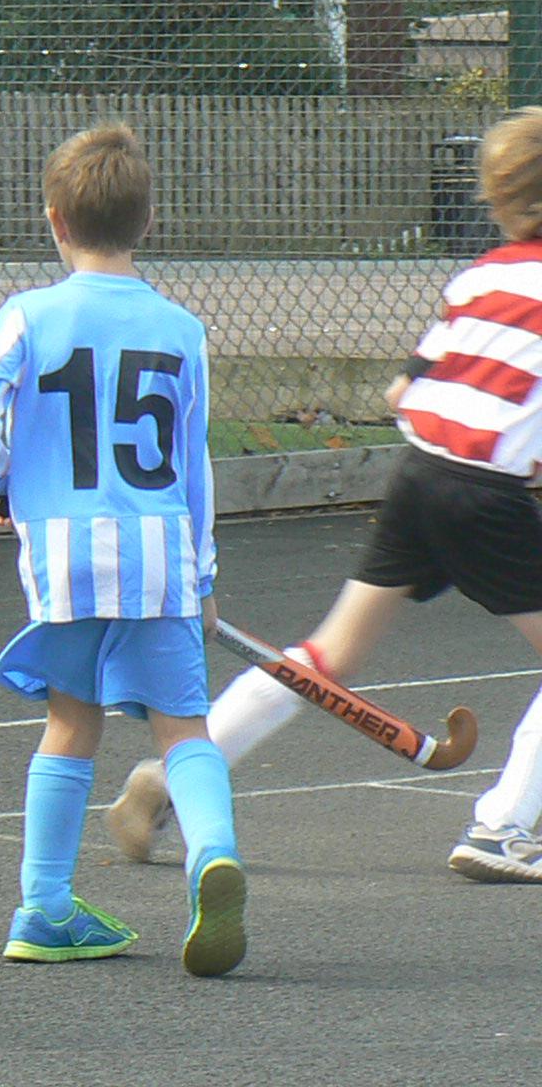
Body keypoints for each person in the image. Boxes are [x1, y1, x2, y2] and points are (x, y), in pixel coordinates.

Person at [107, 108, 542, 883]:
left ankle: (172, 779)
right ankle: (503, 828)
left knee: (326, 657)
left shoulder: (479, 278)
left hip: (418, 475)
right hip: (484, 493)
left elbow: (403, 389)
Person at [0, 122, 246, 976]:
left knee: (70, 720)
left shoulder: (29, 315)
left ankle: (44, 906)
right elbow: (193, 464)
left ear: (55, 220)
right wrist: (203, 575)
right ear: (147, 221)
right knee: (184, 727)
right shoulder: (181, 330)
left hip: (66, 556)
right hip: (160, 554)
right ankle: (212, 855)